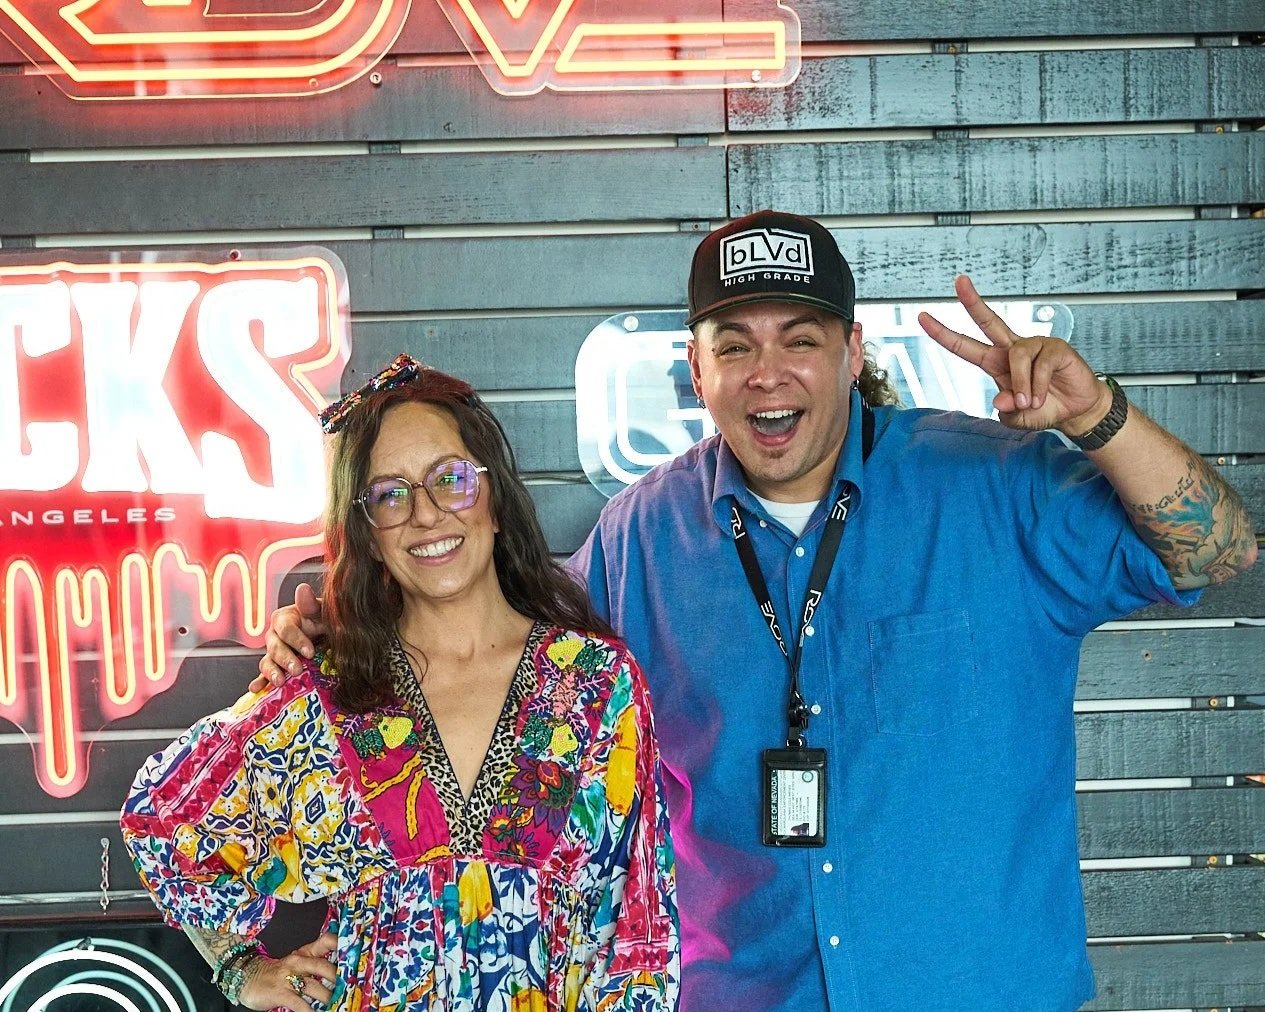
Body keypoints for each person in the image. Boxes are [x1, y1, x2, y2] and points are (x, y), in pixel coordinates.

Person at [255, 211, 1257, 1011]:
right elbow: (486, 660)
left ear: (851, 347)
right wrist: (333, 639)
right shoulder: (638, 537)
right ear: (695, 368)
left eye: (799, 341)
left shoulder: (993, 486)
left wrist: (1098, 419)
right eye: (732, 346)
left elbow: (1217, 547)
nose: (765, 374)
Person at [122, 358, 680, 1012]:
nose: (426, 514)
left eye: (450, 480)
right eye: (390, 494)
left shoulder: (595, 685)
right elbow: (168, 827)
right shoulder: (329, 695)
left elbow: (642, 929)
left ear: (493, 498)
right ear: (369, 533)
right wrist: (239, 970)